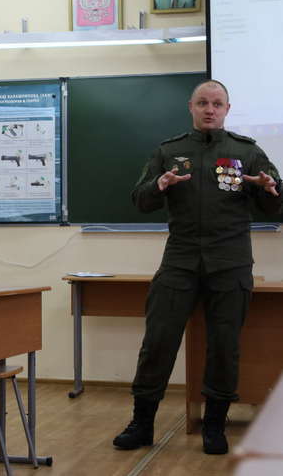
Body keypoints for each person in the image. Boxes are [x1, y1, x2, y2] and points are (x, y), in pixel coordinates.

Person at [113, 80, 282, 455]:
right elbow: (140, 200)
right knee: (158, 342)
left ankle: (215, 426)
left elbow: (274, 205)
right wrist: (159, 184)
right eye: (203, 103)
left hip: (230, 261)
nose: (210, 109)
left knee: (224, 346)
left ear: (227, 109)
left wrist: (271, 188)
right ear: (191, 107)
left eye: (217, 103)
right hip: (181, 260)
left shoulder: (247, 152)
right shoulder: (169, 151)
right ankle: (142, 424)